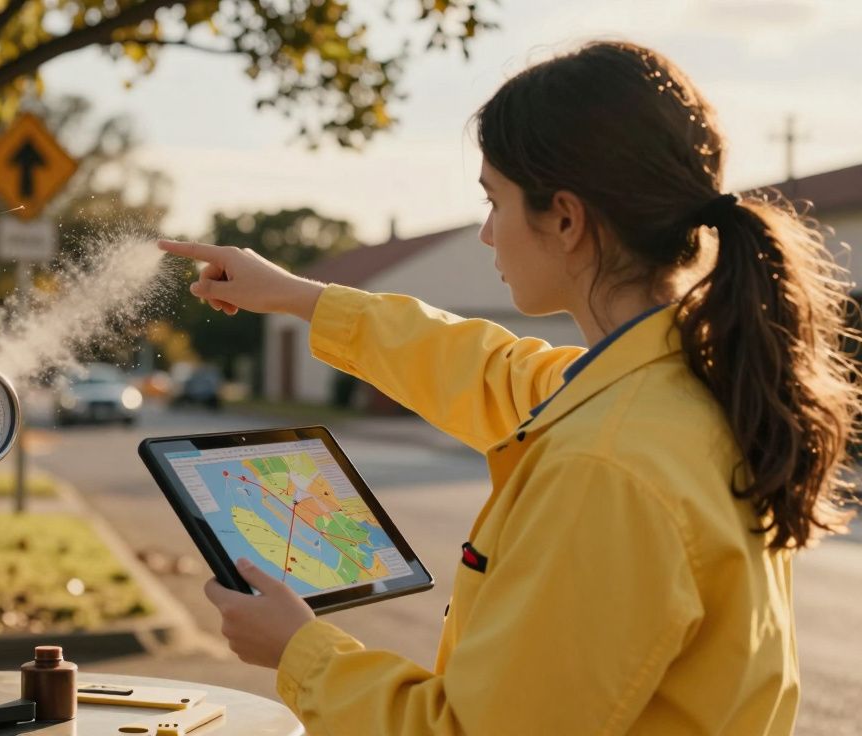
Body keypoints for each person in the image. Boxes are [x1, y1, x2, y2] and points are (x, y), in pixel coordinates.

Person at [158, 40, 859, 735]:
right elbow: (483, 367)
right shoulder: (672, 385)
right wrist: (297, 296)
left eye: (494, 201)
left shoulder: (604, 465)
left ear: (565, 216)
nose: (488, 234)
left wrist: (297, 652)